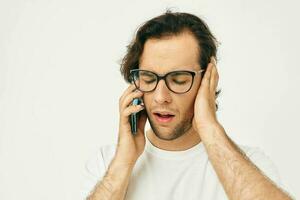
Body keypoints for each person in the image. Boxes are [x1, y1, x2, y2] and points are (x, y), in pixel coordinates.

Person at [81, 10, 293, 200]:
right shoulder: (107, 164)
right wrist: (123, 162)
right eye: (148, 78)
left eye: (179, 80)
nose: (160, 97)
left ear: (208, 81)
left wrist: (210, 128)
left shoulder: (250, 166)